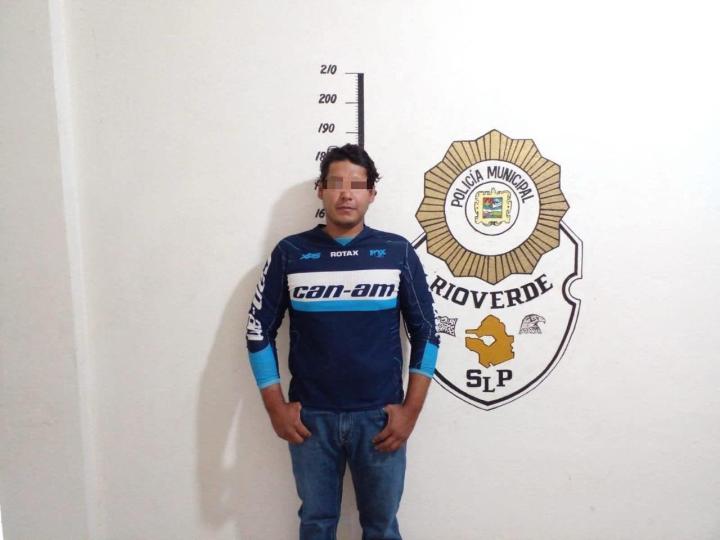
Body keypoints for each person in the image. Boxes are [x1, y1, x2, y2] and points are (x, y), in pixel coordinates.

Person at [245, 143, 440, 540]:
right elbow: (257, 330)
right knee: (316, 525)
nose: (346, 194)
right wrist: (276, 408)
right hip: (311, 420)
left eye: (357, 185)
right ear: (321, 190)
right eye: (336, 184)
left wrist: (411, 411)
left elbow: (427, 332)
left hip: (380, 418)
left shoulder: (397, 252)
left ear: (372, 193)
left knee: (381, 528)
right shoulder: (291, 252)